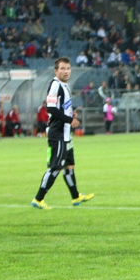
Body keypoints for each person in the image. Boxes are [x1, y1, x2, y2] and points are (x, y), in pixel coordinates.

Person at [31, 57, 94, 210]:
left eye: (68, 68)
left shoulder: (64, 86)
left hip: (65, 135)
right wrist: (68, 119)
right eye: (62, 69)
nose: (66, 71)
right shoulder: (55, 85)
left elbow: (60, 107)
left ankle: (75, 197)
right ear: (56, 71)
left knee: (69, 166)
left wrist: (70, 114)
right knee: (55, 167)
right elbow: (51, 108)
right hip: (57, 133)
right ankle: (38, 199)